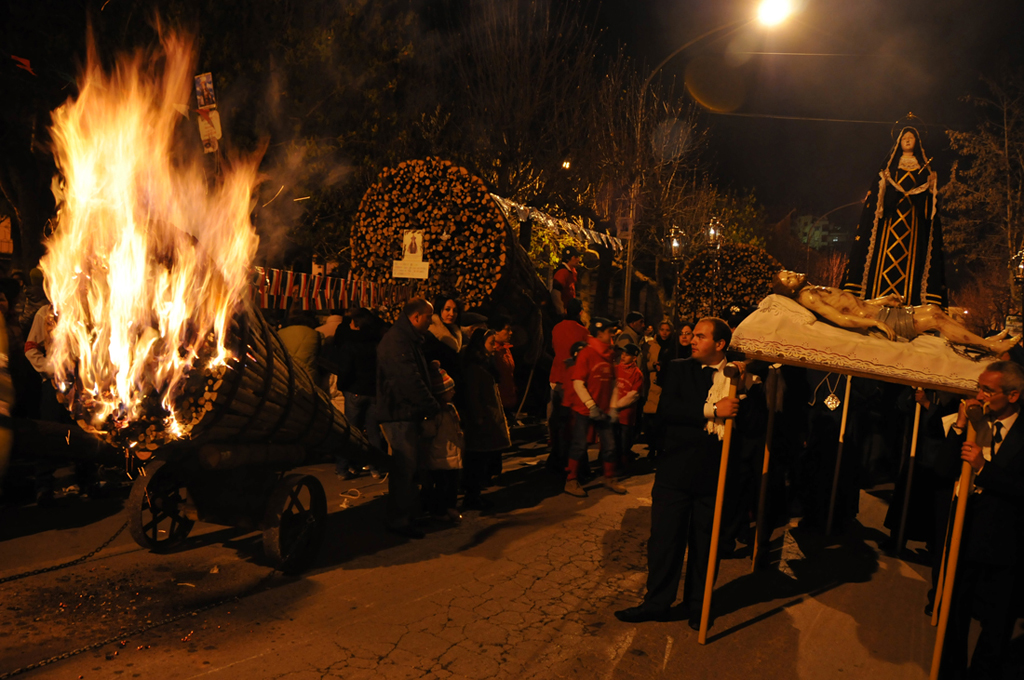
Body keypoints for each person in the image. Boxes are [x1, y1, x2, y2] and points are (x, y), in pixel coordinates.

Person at [614, 317, 744, 629]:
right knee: (663, 542)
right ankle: (657, 602)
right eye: (693, 335)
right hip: (675, 473)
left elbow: (750, 427)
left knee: (704, 546)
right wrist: (713, 411)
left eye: (701, 336)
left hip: (713, 476)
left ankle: (698, 605)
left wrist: (745, 393)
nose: (693, 340)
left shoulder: (738, 378)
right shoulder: (677, 368)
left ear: (720, 344)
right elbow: (667, 411)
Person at [936, 361, 1024, 678]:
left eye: (988, 389)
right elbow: (942, 471)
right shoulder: (974, 421)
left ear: (1013, 395)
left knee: (997, 625)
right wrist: (959, 426)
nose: (979, 395)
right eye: (979, 387)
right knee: (953, 615)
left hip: (1005, 546)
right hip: (963, 537)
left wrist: (984, 470)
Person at [773, 270, 1019, 354]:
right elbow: (839, 317)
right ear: (789, 291)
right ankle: (990, 347)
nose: (792, 274)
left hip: (881, 312)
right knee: (935, 318)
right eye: (787, 279)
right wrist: (874, 324)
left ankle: (982, 343)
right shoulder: (809, 296)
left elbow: (856, 304)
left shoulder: (814, 287)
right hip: (881, 320)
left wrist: (883, 299)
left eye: (788, 272)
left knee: (934, 310)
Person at [842, 127, 946, 307]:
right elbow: (878, 201)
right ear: (899, 142)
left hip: (912, 225)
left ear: (917, 142)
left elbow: (928, 209)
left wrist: (930, 187)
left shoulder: (924, 169)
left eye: (911, 138)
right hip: (889, 224)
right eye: (904, 138)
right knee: (883, 258)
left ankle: (909, 302)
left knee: (911, 261)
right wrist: (885, 186)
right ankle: (876, 298)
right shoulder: (889, 168)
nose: (907, 140)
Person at [375, 298, 441, 539]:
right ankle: (399, 520)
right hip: (398, 414)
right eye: (428, 316)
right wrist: (431, 405)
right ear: (415, 317)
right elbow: (408, 380)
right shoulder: (398, 341)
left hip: (403, 412)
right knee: (405, 468)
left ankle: (408, 514)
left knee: (410, 468)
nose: (431, 321)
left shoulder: (406, 339)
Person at [565, 317, 626, 497]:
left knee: (609, 445)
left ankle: (609, 477)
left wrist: (613, 406)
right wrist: (591, 405)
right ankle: (571, 481)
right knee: (579, 445)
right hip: (585, 409)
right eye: (610, 332)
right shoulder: (587, 353)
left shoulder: (609, 354)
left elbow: (613, 382)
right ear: (599, 334)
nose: (613, 335)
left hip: (604, 409)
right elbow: (578, 382)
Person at [457, 328, 511, 511]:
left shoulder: (486, 364)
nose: (494, 347)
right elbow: (473, 395)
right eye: (490, 343)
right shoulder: (474, 368)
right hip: (481, 421)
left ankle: (476, 494)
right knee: (476, 460)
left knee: (482, 459)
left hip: (488, 418)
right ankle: (472, 496)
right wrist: (478, 417)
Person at [333, 308, 384, 478]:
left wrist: (344, 386)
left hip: (355, 391)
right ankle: (375, 467)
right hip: (373, 392)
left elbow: (345, 369)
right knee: (373, 431)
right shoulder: (377, 344)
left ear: (356, 325)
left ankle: (344, 467)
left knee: (350, 431)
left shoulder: (350, 344)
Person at [548, 298, 589, 472]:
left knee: (557, 420)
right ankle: (573, 462)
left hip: (555, 377)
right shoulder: (582, 332)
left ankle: (556, 456)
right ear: (580, 312)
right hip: (571, 380)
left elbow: (554, 348)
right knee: (572, 423)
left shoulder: (556, 328)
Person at [422, 361, 463, 525]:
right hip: (440, 455)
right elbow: (428, 433)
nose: (453, 392)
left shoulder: (451, 408)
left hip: (453, 453)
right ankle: (439, 511)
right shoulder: (435, 413)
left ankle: (450, 507)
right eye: (449, 390)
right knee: (441, 485)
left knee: (453, 484)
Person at [612, 343, 643, 467]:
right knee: (613, 439)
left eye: (627, 355)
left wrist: (616, 405)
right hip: (613, 412)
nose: (623, 356)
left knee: (625, 441)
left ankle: (624, 463)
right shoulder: (615, 369)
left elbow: (634, 395)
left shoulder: (637, 374)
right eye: (623, 354)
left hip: (626, 414)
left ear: (634, 358)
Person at [426, 294, 464, 382]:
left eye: (455, 310)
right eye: (447, 309)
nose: (452, 314)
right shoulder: (431, 335)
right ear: (440, 310)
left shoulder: (455, 332)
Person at [489, 313, 517, 419]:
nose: (510, 332)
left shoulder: (506, 349)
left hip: (509, 398)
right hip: (499, 400)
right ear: (496, 331)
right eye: (507, 329)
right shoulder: (493, 351)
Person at [551, 246, 580, 317]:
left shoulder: (571, 271)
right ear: (568, 258)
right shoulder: (563, 272)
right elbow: (556, 293)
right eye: (575, 257)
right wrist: (561, 311)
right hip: (564, 313)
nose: (578, 259)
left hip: (568, 311)